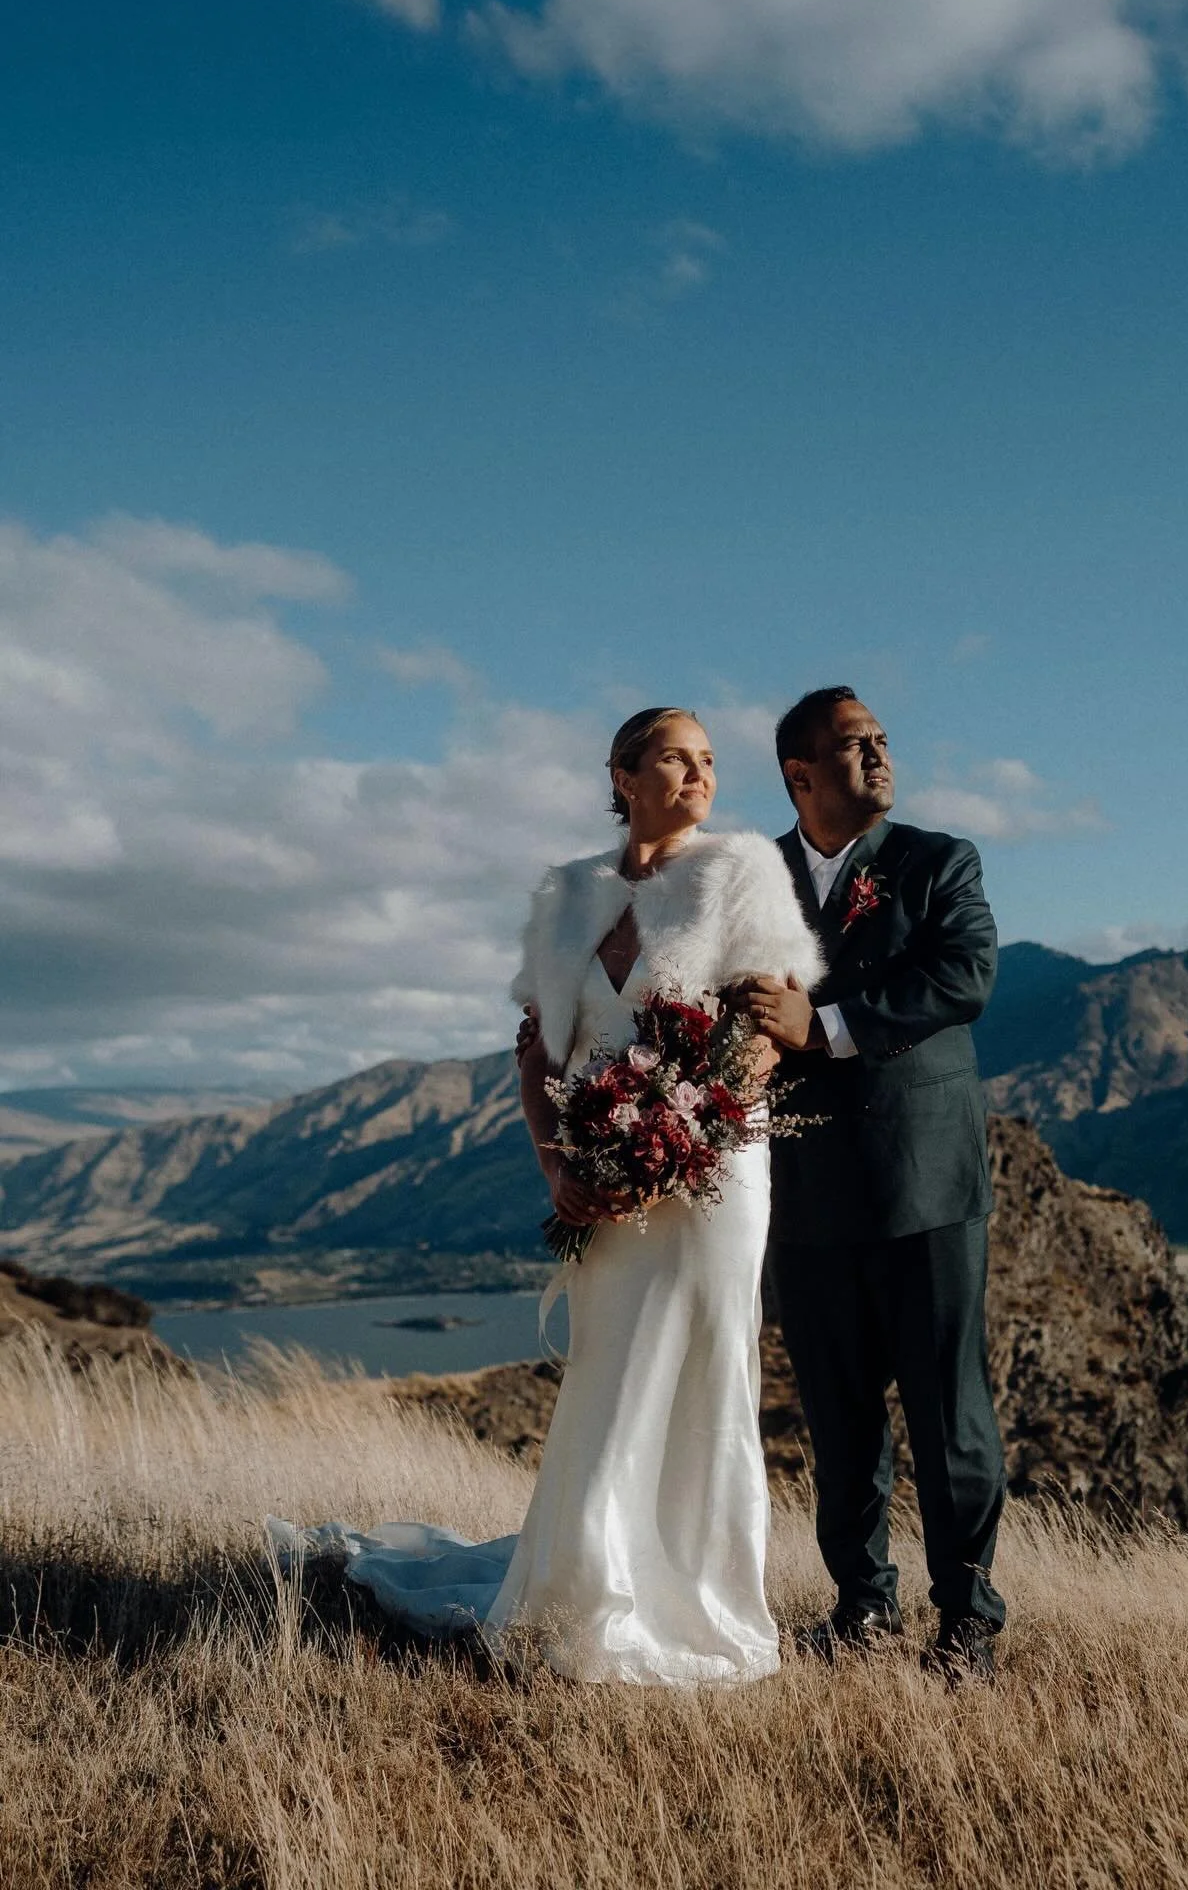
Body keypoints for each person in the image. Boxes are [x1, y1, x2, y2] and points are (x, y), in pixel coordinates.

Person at [271, 707, 823, 1686]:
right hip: (603, 1179)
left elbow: (764, 1039)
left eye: (708, 761)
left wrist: (676, 1137)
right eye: (674, 758)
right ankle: (584, 1591)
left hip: (715, 1175)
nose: (698, 774)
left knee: (701, 1367)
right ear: (621, 775)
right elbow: (539, 1055)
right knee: (610, 1368)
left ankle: (701, 1605)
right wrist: (562, 1169)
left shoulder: (741, 877)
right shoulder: (569, 898)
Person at [730, 686, 1006, 1683]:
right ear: (802, 776)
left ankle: (968, 1622)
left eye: (883, 741)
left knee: (948, 1416)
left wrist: (827, 1028)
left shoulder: (940, 864)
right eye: (857, 747)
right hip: (802, 1192)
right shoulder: (750, 879)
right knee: (839, 1420)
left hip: (925, 1186)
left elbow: (964, 976)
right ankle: (862, 1609)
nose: (882, 757)